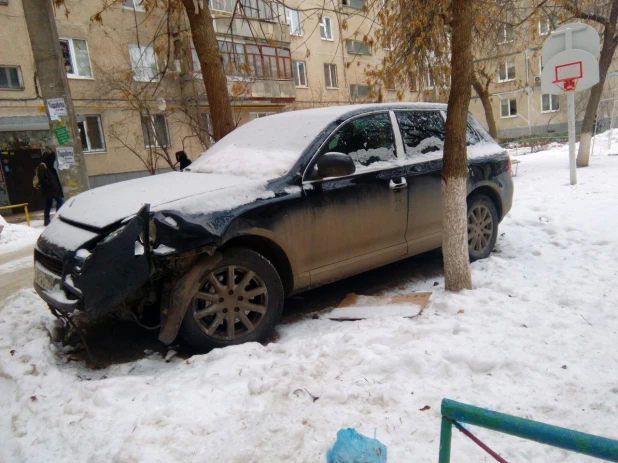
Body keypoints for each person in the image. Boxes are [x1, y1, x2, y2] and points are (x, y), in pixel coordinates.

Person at [37, 149, 64, 226]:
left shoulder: (51, 167)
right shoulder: (42, 166)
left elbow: (55, 179)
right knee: (59, 201)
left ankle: (47, 219)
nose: (52, 161)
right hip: (49, 190)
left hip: (52, 189)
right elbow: (42, 179)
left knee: (48, 204)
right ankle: (56, 218)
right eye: (51, 159)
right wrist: (50, 185)